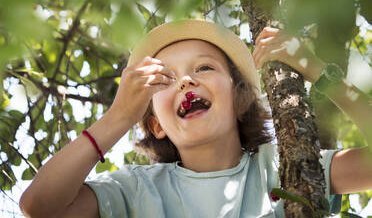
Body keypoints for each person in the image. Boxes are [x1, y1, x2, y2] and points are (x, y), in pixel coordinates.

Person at [19, 20, 372, 218]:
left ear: (240, 98)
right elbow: (40, 206)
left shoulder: (281, 166)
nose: (187, 81)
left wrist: (320, 72)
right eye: (166, 80)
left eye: (204, 67)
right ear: (156, 124)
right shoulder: (136, 191)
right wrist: (119, 117)